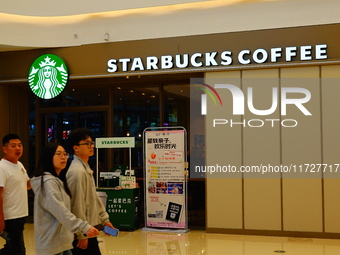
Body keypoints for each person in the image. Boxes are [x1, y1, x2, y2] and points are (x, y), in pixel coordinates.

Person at [30, 143, 100, 255]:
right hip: (51, 244)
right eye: (58, 154)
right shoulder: (48, 182)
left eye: (64, 154)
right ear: (48, 157)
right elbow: (60, 211)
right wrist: (82, 227)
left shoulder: (58, 180)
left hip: (62, 242)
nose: (63, 157)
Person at [66, 128, 114, 255]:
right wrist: (81, 234)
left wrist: (105, 220)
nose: (91, 146)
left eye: (91, 143)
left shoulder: (85, 168)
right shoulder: (77, 172)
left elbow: (93, 198)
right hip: (83, 232)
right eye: (86, 143)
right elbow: (76, 205)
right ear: (76, 148)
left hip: (89, 229)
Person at [0, 134, 30, 255]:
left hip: (20, 215)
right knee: (18, 251)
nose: (18, 148)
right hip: (9, 217)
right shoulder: (2, 167)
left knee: (11, 249)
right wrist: (1, 219)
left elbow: (27, 185)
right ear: (5, 149)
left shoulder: (19, 165)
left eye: (20, 145)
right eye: (13, 146)